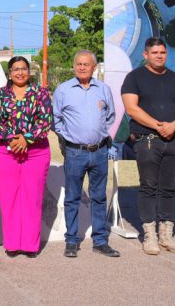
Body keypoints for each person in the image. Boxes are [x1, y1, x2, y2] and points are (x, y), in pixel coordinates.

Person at [121, 36, 175, 255]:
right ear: (145, 55)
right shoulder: (134, 78)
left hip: (172, 141)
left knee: (169, 189)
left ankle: (166, 236)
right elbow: (132, 109)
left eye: (162, 53)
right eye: (154, 53)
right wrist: (157, 126)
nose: (159, 56)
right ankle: (149, 235)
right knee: (148, 187)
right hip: (147, 141)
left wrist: (173, 126)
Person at [52, 50, 120, 258]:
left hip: (100, 151)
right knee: (72, 197)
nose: (82, 67)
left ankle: (100, 240)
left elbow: (110, 117)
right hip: (75, 152)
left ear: (94, 67)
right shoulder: (63, 90)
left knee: (99, 196)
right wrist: (70, 138)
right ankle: (71, 240)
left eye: (86, 64)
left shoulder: (103, 89)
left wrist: (99, 134)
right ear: (74, 66)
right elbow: (56, 120)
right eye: (78, 64)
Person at [0, 55, 53, 257]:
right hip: (5, 153)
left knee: (32, 198)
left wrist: (26, 140)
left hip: (36, 153)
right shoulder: (0, 94)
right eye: (15, 69)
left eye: (23, 69)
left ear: (29, 71)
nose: (20, 72)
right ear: (9, 73)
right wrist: (12, 139)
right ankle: (12, 244)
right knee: (9, 199)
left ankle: (29, 245)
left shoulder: (40, 93)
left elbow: (45, 121)